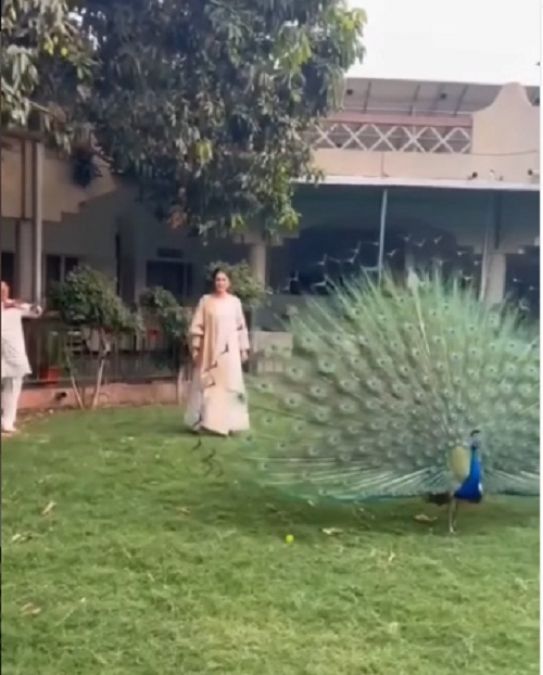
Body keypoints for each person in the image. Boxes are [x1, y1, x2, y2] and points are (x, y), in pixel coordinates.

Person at [184, 268, 250, 435]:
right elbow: (197, 326)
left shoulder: (235, 302)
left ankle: (230, 423)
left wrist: (243, 349)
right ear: (214, 282)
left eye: (224, 279)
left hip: (230, 352)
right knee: (209, 385)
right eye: (218, 279)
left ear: (229, 282)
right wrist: (196, 348)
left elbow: (241, 327)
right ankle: (206, 422)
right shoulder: (206, 301)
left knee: (228, 385)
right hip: (210, 350)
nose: (220, 283)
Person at [1, 281, 43, 435]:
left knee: (12, 388)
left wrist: (24, 305)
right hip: (3, 354)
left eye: (5, 290)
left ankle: (7, 423)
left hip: (14, 356)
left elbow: (37, 312)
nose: (4, 293)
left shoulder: (15, 308)